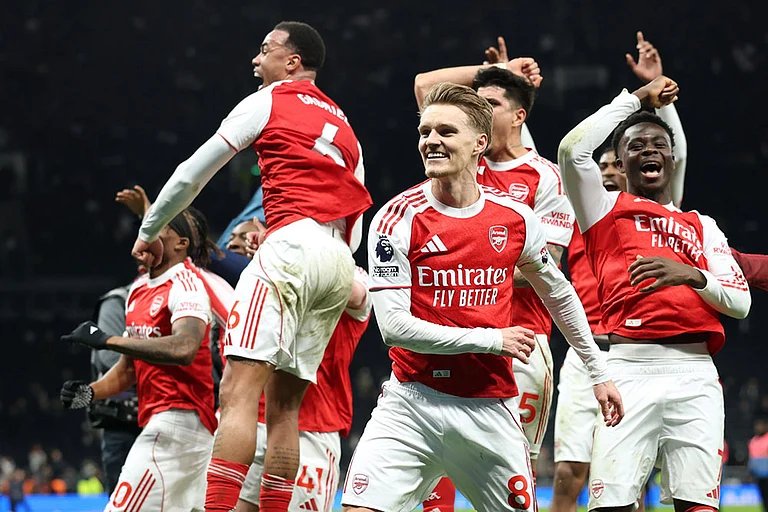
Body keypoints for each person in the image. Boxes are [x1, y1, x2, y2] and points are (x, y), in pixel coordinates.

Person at [341, 83, 622, 512]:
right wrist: (493, 340)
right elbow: (394, 329)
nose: (431, 141)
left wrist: (598, 371)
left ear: (479, 143)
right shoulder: (395, 219)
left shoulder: (515, 217)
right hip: (412, 403)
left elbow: (559, 294)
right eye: (425, 132)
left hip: (489, 407)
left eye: (446, 132)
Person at [130, 21, 372, 512]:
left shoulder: (270, 100)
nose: (255, 61)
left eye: (265, 51)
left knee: (238, 392)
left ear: (293, 62)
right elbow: (356, 218)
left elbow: (190, 174)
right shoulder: (345, 124)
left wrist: (149, 228)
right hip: (337, 257)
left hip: (290, 243)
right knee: (286, 408)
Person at [558, 75, 751, 512]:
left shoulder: (702, 224)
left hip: (697, 374)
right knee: (612, 505)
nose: (649, 149)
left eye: (658, 144)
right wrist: (636, 100)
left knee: (697, 506)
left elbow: (741, 304)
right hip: (626, 369)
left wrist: (692, 276)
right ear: (620, 165)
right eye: (636, 145)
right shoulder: (602, 209)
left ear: (672, 157)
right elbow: (572, 150)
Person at [414, 39, 573, 479]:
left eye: (491, 104)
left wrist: (469, 264)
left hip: (520, 341)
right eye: (474, 106)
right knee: (433, 466)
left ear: (519, 116)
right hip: (448, 333)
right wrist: (500, 68)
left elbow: (549, 265)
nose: (477, 112)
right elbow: (425, 86)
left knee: (512, 469)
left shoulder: (544, 177)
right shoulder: (460, 159)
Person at [551, 31, 687, 512]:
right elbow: (566, 157)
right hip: (585, 353)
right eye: (604, 161)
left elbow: (676, 156)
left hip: (639, 355)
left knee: (633, 479)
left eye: (616, 163)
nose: (609, 169)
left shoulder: (658, 215)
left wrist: (660, 97)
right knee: (570, 471)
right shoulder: (578, 212)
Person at [59, 207, 219, 511]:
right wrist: (91, 392)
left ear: (181, 244)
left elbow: (185, 348)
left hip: (179, 420)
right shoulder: (138, 291)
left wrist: (109, 340)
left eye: (161, 227)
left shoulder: (187, 284)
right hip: (166, 424)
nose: (149, 232)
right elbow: (130, 369)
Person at [236, 266, 371, 512]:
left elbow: (355, 296)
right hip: (256, 424)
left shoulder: (353, 274)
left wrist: (290, 261)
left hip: (312, 428)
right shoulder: (261, 273)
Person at [749, 414, 768, 512]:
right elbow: (752, 458)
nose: (758, 428)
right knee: (763, 496)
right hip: (759, 475)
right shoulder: (753, 441)